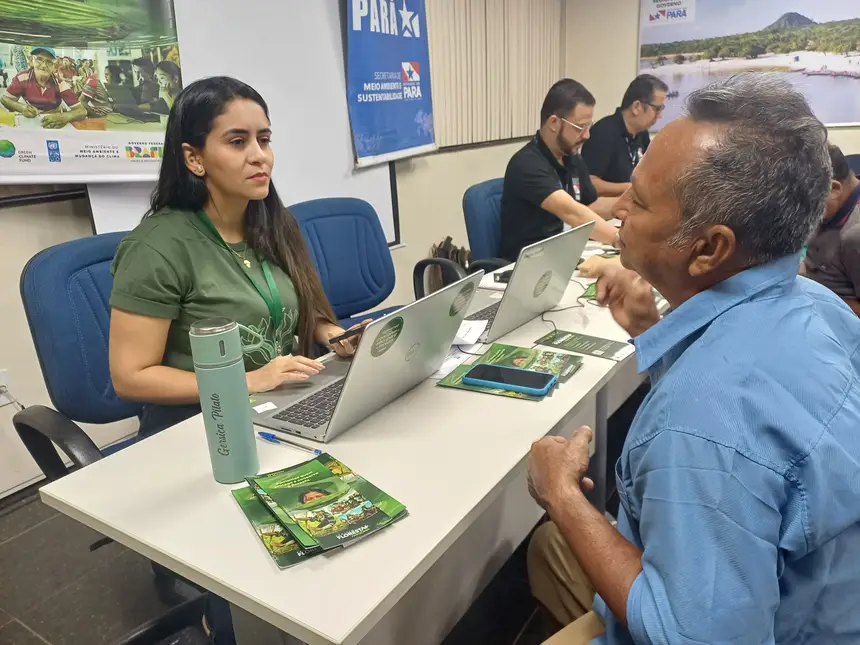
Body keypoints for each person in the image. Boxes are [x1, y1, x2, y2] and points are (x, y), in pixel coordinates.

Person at [526, 73, 860, 644]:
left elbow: (697, 636)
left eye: (641, 199)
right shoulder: (820, 306)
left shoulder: (702, 420)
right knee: (548, 547)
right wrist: (652, 330)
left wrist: (559, 492)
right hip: (818, 598)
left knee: (557, 533)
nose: (621, 208)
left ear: (707, 248)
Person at [110, 76, 364, 645]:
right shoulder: (159, 246)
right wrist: (249, 378)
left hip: (277, 413)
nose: (259, 156)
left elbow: (301, 311)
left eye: (265, 138)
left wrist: (328, 332)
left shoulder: (269, 219)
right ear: (193, 158)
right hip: (201, 436)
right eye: (238, 140)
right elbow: (130, 376)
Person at [499, 79, 619, 262]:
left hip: (563, 256)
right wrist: (619, 240)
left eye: (589, 126)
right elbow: (572, 213)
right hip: (529, 265)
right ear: (554, 123)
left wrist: (631, 202)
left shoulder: (572, 157)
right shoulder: (527, 164)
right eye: (581, 127)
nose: (587, 135)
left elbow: (589, 207)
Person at [581, 74, 667, 197]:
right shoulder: (603, 132)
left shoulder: (642, 134)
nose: (659, 116)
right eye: (657, 109)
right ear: (636, 107)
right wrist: (630, 187)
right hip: (605, 210)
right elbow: (589, 182)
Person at [802, 144, 860, 315]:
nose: (800, 209)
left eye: (804, 201)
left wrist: (820, 297)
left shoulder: (855, 235)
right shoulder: (831, 209)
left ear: (834, 189)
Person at [0, 46, 86, 128]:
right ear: (31, 61)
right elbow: (4, 99)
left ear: (54, 66)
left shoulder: (59, 83)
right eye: (39, 59)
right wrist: (21, 107)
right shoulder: (22, 78)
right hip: (30, 122)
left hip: (52, 121)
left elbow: (82, 111)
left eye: (49, 62)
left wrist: (64, 116)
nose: (44, 65)